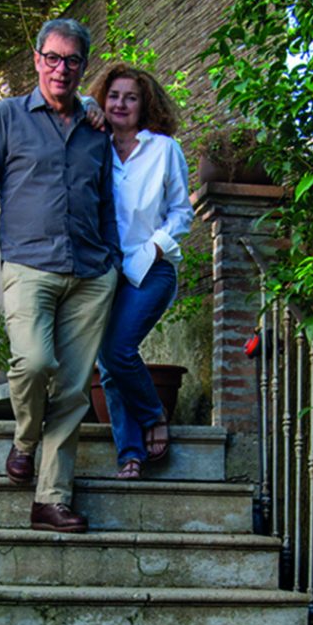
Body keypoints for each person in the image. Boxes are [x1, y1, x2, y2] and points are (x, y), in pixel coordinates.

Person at [0, 18, 119, 533]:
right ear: (36, 59)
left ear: (84, 66)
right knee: (35, 362)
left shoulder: (94, 129)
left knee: (73, 391)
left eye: (72, 60)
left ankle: (51, 499)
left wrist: (113, 259)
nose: (60, 69)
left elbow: (106, 200)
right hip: (30, 264)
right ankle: (23, 441)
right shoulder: (6, 117)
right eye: (52, 58)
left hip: (91, 272)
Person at [87, 63, 194, 480]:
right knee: (109, 360)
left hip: (153, 268)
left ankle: (154, 416)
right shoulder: (93, 146)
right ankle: (129, 453)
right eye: (113, 96)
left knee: (116, 350)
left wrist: (155, 245)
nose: (121, 104)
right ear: (103, 100)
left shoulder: (164, 149)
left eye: (130, 97)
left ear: (144, 103)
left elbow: (182, 212)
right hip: (105, 270)